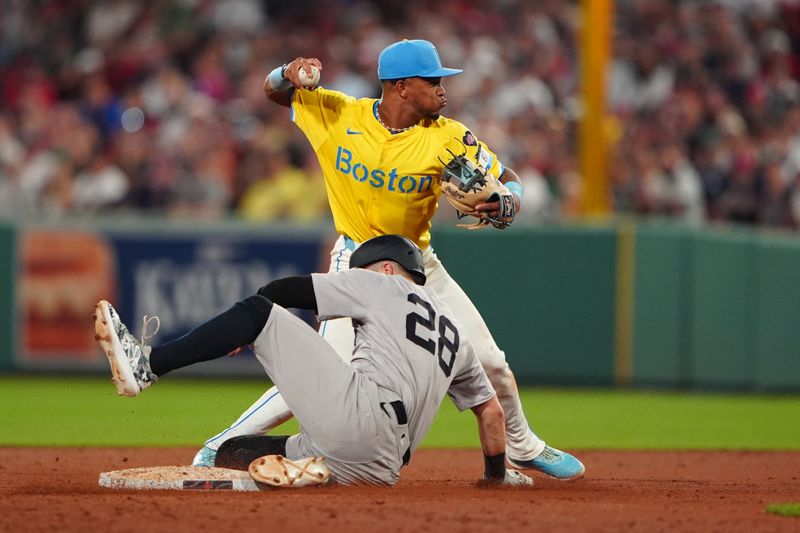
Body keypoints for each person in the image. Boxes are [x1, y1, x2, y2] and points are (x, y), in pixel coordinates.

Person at [193, 39, 585, 480]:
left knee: (491, 360)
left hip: (419, 265)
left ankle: (524, 446)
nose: (443, 89)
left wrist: (511, 199)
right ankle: (217, 448)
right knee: (327, 368)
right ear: (400, 87)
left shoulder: (449, 137)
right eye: (432, 80)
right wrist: (288, 71)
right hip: (356, 261)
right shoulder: (341, 114)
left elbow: (506, 176)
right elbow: (274, 91)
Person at [94, 235, 533, 487]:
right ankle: (310, 473)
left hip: (358, 420)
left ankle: (146, 365)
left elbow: (288, 291)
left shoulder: (383, 285)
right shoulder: (456, 337)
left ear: (384, 268)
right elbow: (492, 413)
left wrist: (243, 323)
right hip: (381, 470)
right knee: (235, 452)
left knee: (257, 313)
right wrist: (496, 475)